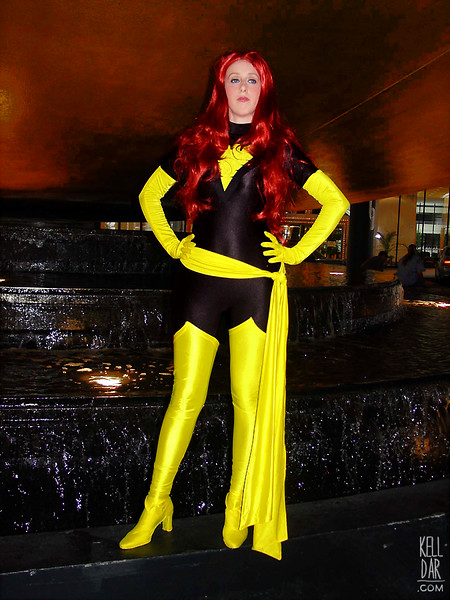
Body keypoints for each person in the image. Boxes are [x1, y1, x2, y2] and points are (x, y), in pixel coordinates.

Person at [119, 50, 349, 560]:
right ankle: (155, 504)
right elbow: (149, 196)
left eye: (252, 80)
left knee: (248, 402)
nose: (243, 88)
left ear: (264, 89)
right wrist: (173, 244)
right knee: (185, 398)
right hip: (198, 283)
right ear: (220, 88)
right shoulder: (193, 144)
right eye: (234, 79)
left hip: (254, 288)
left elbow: (336, 203)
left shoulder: (281, 147)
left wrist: (295, 253)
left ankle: (237, 504)